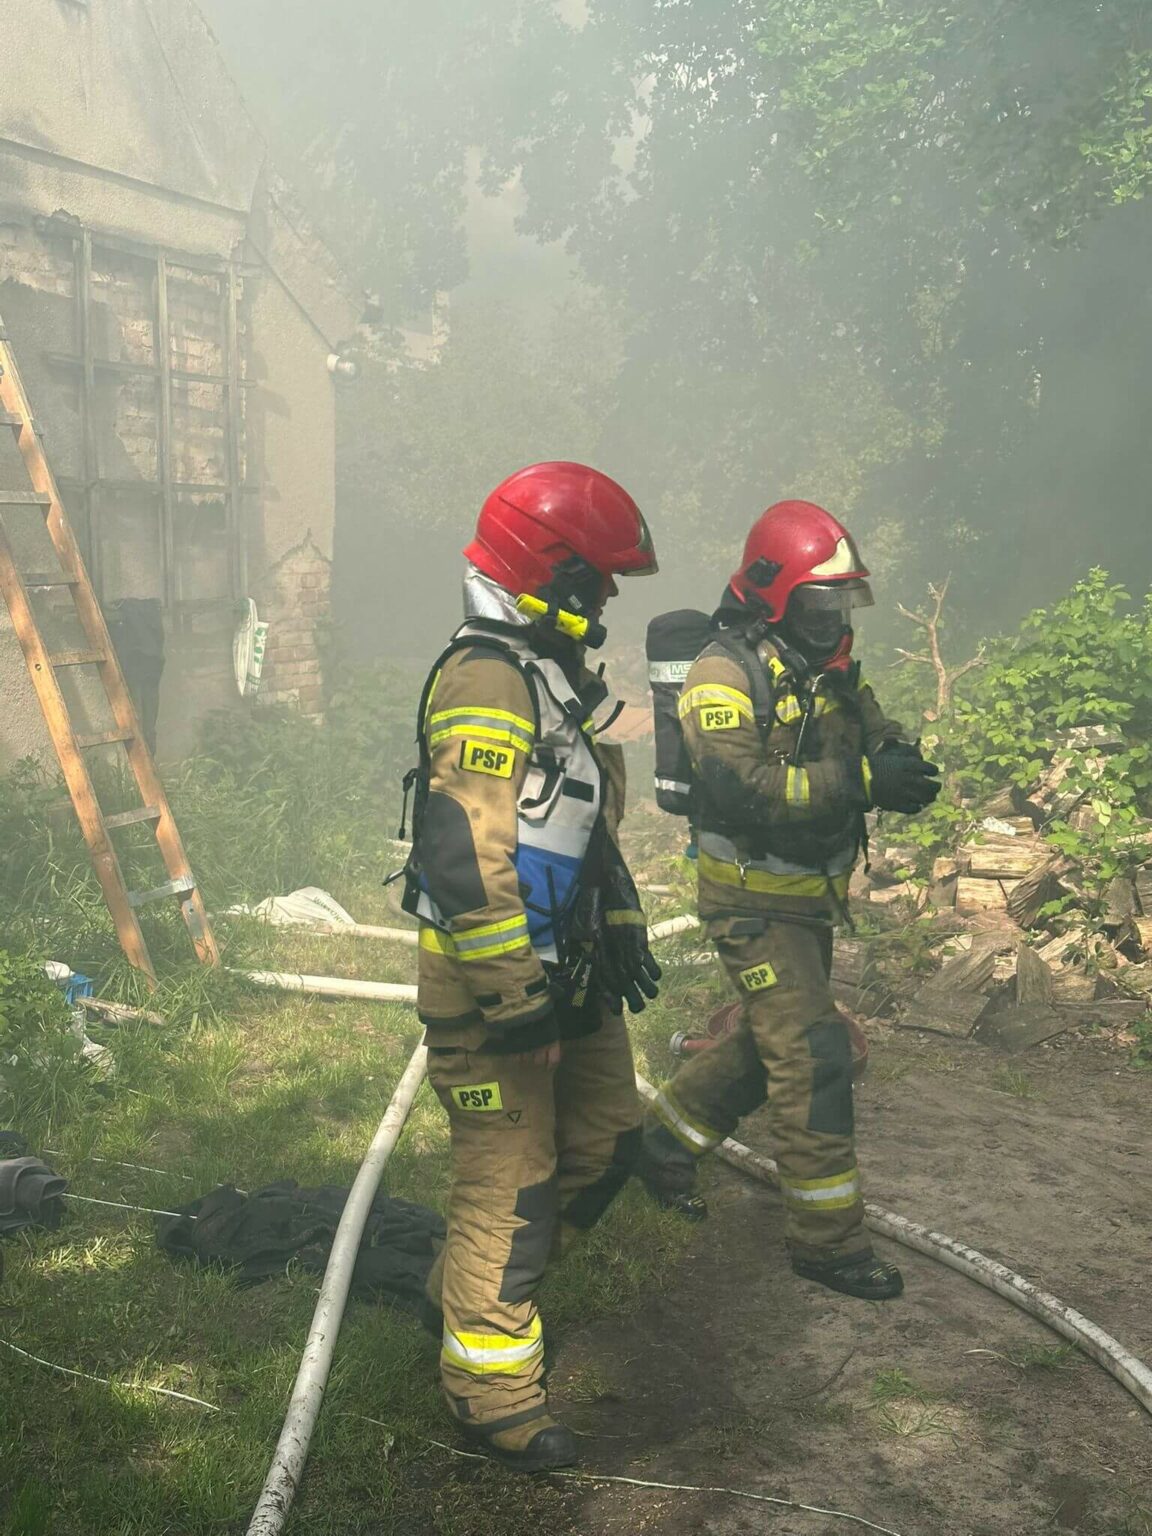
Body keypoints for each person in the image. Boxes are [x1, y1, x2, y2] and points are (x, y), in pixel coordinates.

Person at [403, 462, 662, 1472]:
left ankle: (456, 1294)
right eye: (594, 581)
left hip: (569, 975)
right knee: (511, 1189)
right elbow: (463, 850)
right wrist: (513, 998)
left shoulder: (547, 676)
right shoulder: (488, 677)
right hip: (498, 986)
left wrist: (622, 917)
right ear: (543, 570)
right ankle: (491, 1393)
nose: (603, 602)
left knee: (607, 1144)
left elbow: (579, 830)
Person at [636, 499, 940, 1301]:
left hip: (805, 902)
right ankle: (828, 1245)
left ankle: (658, 1148)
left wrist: (895, 756)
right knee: (813, 1055)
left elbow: (869, 723)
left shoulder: (824, 667)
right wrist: (862, 783)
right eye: (817, 602)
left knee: (767, 1044)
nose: (832, 618)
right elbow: (742, 786)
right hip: (750, 904)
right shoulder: (721, 676)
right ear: (774, 597)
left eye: (842, 601)